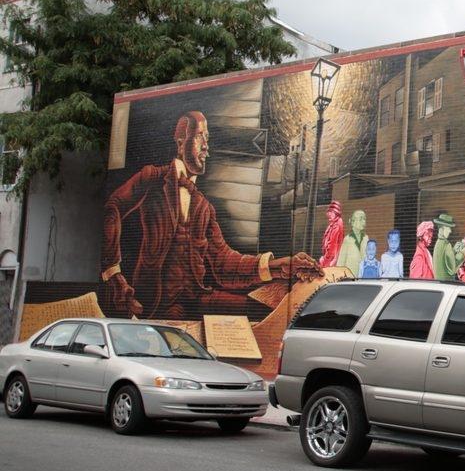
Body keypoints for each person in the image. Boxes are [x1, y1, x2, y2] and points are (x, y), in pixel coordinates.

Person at [101, 111, 321, 319]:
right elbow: (113, 207)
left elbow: (224, 262)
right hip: (157, 303)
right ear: (181, 143)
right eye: (199, 137)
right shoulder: (153, 178)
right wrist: (113, 274)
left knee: (263, 309)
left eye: (207, 138)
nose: (206, 147)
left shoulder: (203, 206)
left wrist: (278, 266)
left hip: (197, 298)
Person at [335, 210, 369, 278]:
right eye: (361, 219)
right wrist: (338, 276)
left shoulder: (366, 238)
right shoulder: (347, 239)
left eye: (364, 219)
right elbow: (341, 261)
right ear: (353, 222)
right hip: (350, 277)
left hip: (363, 277)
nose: (364, 222)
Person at [432, 213, 462, 281]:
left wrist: (453, 251)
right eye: (448, 228)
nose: (450, 231)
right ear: (442, 228)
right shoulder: (446, 245)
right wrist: (463, 253)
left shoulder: (438, 243)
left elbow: (444, 260)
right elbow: (453, 269)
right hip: (447, 283)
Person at [318, 200, 344, 269]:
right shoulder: (333, 224)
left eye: (331, 212)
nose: (329, 215)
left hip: (330, 261)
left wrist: (324, 260)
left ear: (336, 212)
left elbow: (332, 245)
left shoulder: (337, 225)